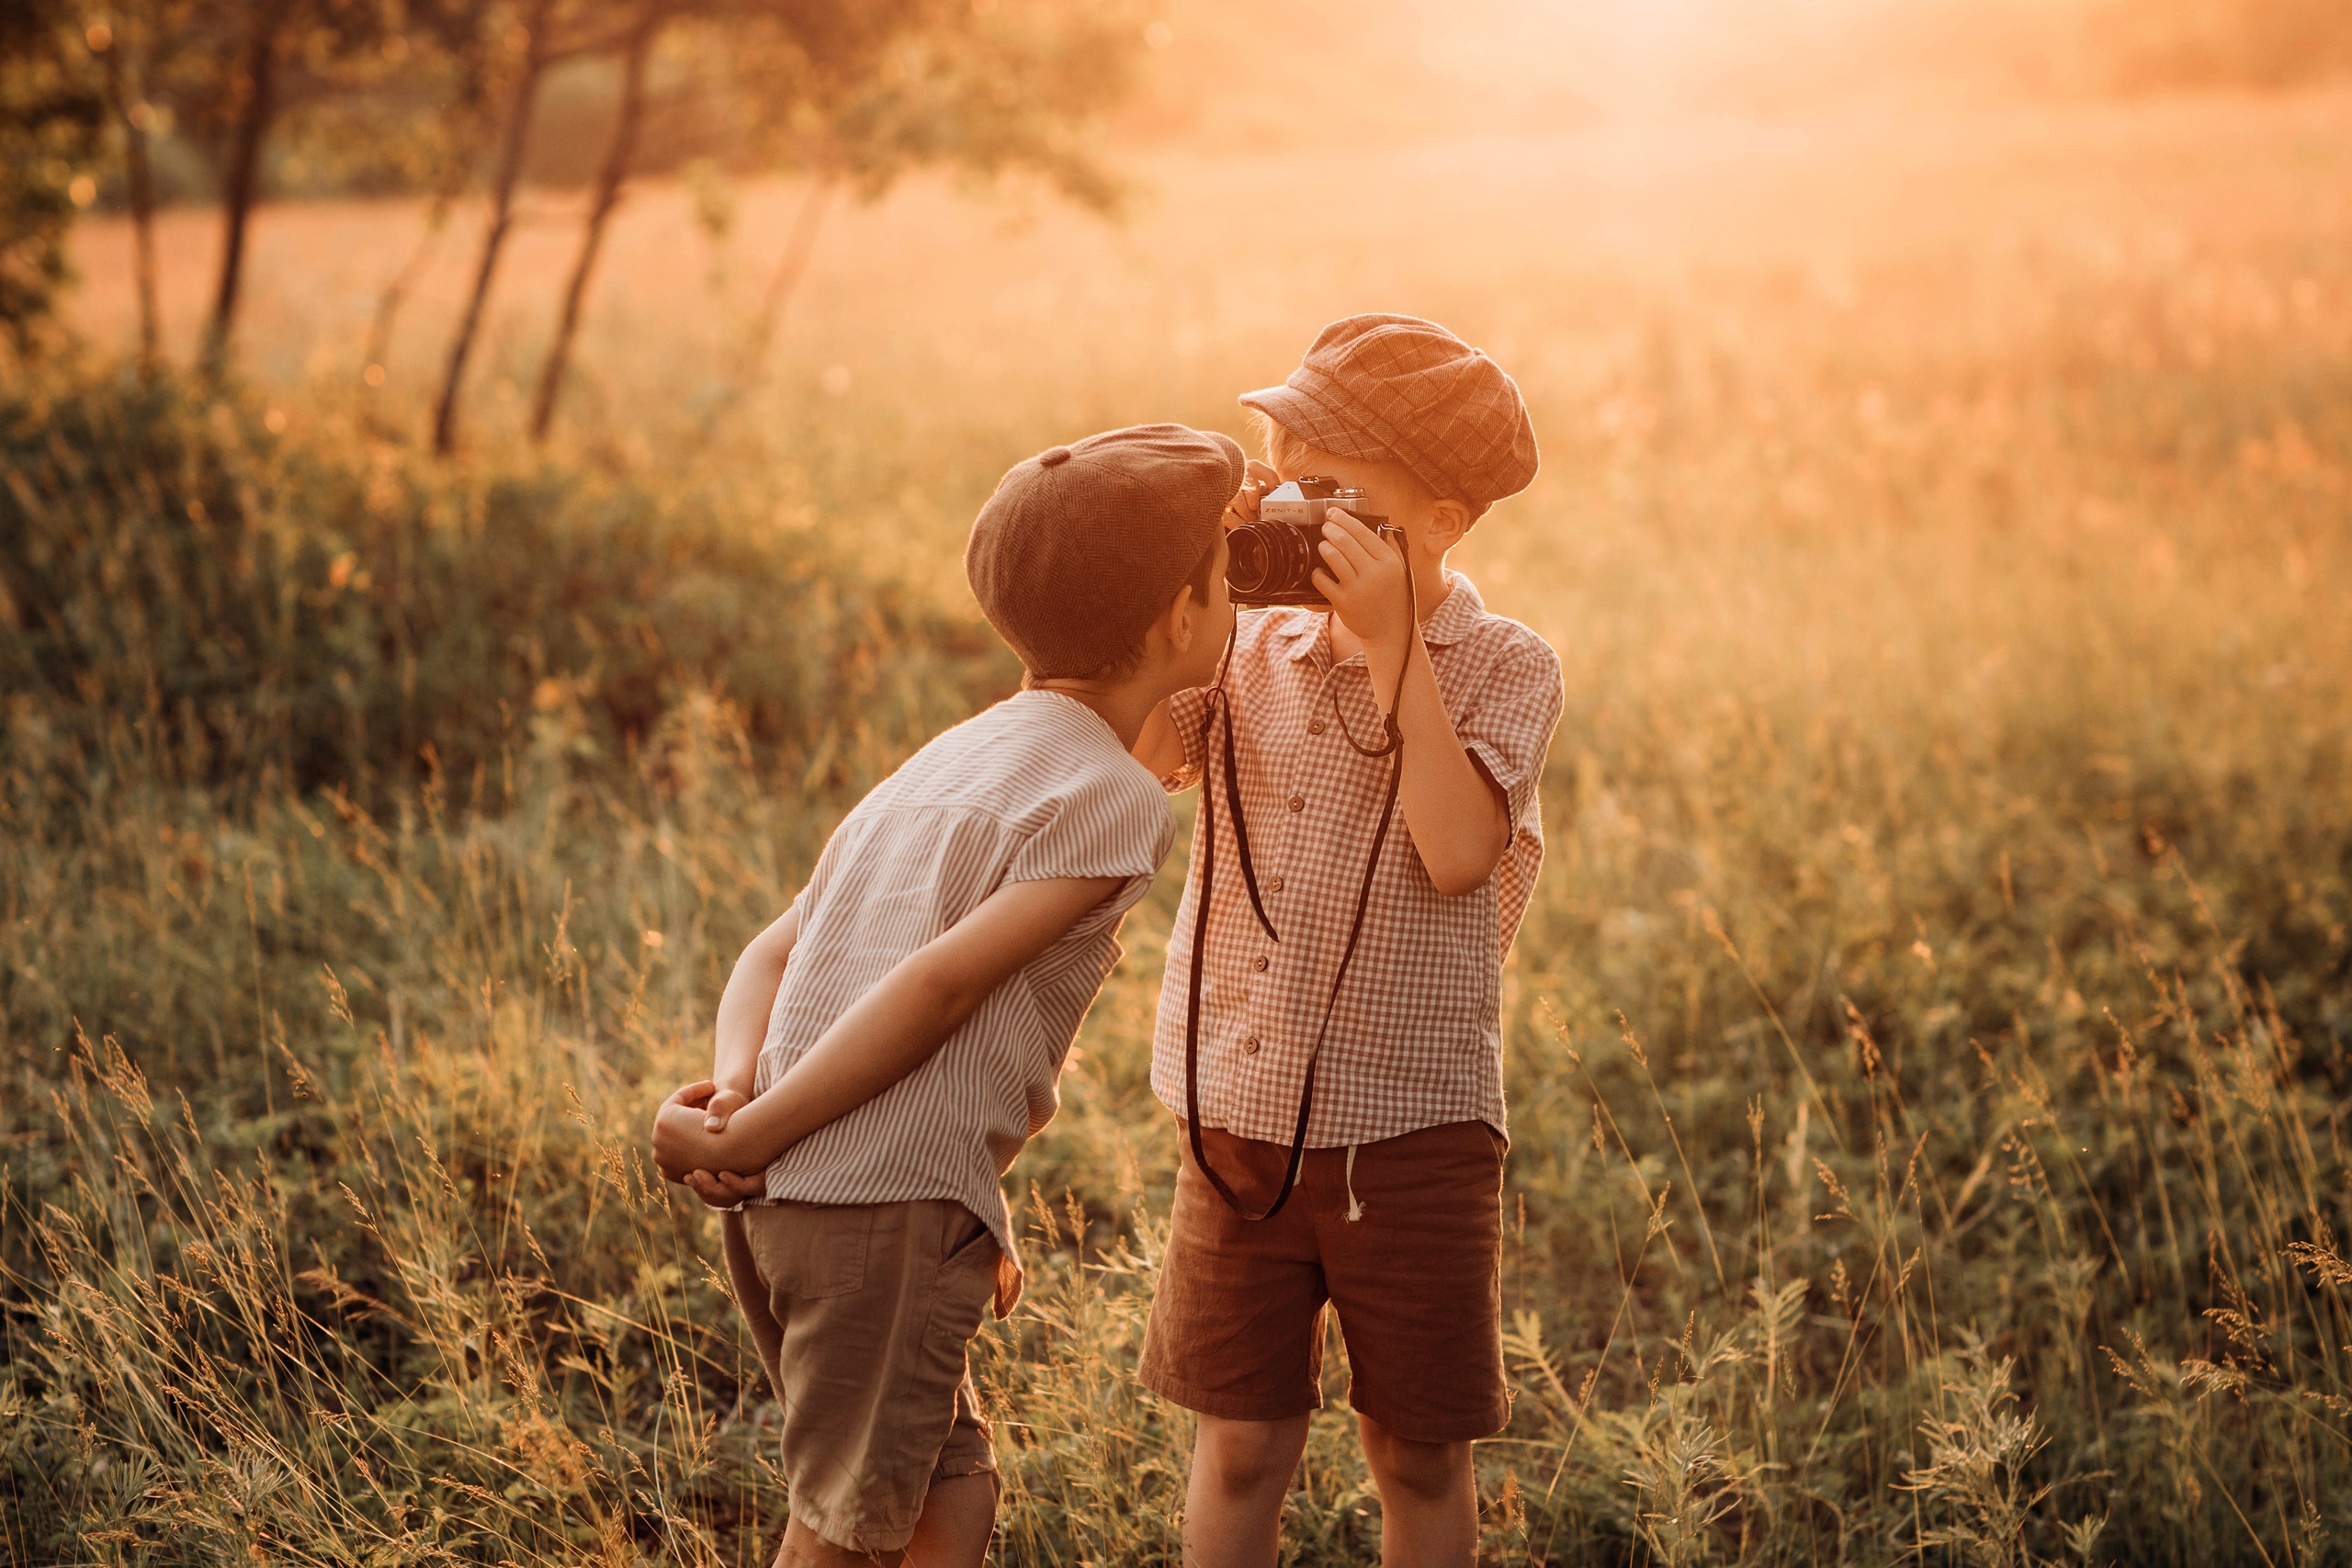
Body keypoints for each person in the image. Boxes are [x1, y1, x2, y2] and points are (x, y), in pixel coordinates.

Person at [650, 423, 1244, 1568]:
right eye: (1228, 579)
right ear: (1181, 617)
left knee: (945, 1502)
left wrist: (733, 1101)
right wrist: (758, 1127)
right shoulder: (1113, 795)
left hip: (791, 1201)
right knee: (838, 1537)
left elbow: (773, 949)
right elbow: (942, 984)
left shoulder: (948, 757)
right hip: (881, 1206)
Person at [1129, 315, 1565, 1568]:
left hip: (1413, 1129)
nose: (1297, 515)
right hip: (1240, 1110)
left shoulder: (1504, 667)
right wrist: (1191, 590)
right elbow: (1148, 757)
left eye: (1338, 496)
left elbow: (1457, 849)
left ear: (1441, 521)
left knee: (1416, 1450)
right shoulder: (1249, 645)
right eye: (1282, 480)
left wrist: (1393, 653)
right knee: (1242, 1441)